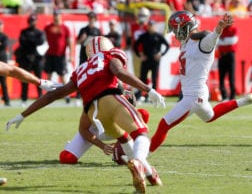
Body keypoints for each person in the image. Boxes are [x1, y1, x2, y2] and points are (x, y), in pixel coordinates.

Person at [6, 36, 165, 193]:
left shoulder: (80, 70)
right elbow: (119, 72)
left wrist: (23, 114)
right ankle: (138, 161)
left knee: (123, 137)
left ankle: (150, 173)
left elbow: (53, 95)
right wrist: (148, 89)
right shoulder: (108, 55)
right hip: (110, 99)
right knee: (141, 133)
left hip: (95, 115)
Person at [149, 11, 252, 153]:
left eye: (177, 29)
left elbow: (212, 37)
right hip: (197, 93)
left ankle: (140, 156)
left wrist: (218, 29)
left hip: (194, 96)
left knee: (164, 124)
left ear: (186, 27)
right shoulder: (187, 43)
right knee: (210, 117)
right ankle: (245, 101)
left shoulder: (203, 43)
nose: (176, 34)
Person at [133, 20, 170, 102]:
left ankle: (153, 96)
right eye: (149, 25)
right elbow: (135, 46)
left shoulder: (158, 36)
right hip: (146, 60)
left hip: (155, 61)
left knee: (154, 78)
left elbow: (167, 45)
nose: (151, 27)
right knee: (143, 78)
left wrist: (161, 54)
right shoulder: (143, 36)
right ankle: (140, 95)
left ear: (155, 26)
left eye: (152, 25)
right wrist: (140, 55)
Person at [15, 14, 45, 106]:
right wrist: (33, 40)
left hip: (36, 58)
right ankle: (24, 99)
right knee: (25, 78)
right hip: (26, 58)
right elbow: (22, 42)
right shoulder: (24, 31)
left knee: (38, 79)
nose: (32, 22)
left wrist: (29, 40)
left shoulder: (39, 32)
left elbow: (40, 42)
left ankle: (41, 98)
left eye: (34, 20)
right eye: (31, 20)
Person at [44, 9, 73, 103]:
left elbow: (70, 42)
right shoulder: (48, 27)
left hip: (61, 55)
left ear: (60, 16)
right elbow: (44, 40)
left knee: (63, 75)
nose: (56, 16)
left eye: (57, 14)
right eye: (55, 14)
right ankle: (48, 95)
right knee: (49, 75)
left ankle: (67, 95)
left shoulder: (65, 28)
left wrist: (71, 54)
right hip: (50, 54)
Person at [75, 11, 102, 105]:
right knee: (81, 76)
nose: (91, 20)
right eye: (90, 18)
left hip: (94, 57)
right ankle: (79, 96)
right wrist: (82, 39)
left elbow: (101, 43)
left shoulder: (97, 30)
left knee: (94, 76)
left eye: (92, 18)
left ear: (95, 19)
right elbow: (77, 42)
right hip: (83, 56)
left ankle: (94, 95)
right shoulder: (83, 30)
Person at [217, 23, 239, 101]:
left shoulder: (234, 29)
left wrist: (222, 40)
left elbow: (233, 40)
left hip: (230, 55)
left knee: (231, 76)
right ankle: (224, 95)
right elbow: (216, 41)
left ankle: (232, 96)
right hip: (222, 55)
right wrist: (224, 40)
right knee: (221, 77)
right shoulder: (221, 30)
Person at [0, 21, 10, 106]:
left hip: (2, 61)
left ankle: (6, 100)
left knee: (3, 82)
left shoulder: (4, 36)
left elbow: (4, 45)